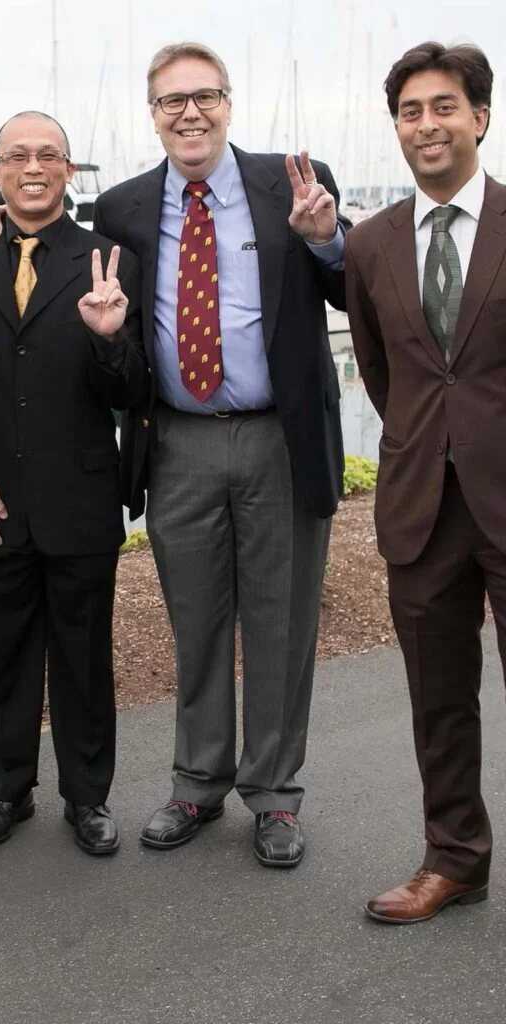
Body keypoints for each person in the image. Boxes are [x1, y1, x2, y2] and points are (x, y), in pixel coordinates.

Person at [92, 42, 347, 866]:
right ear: (153, 115)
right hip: (178, 443)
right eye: (172, 101)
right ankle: (197, 783)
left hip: (280, 437)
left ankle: (273, 796)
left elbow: (354, 293)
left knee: (281, 622)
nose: (189, 113)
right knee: (195, 621)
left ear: (230, 104)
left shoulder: (295, 181)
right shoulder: (124, 206)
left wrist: (329, 240)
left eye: (204, 97)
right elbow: (114, 330)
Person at [0, 111, 145, 856]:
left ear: (69, 171)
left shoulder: (109, 261)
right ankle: (7, 790)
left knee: (84, 657)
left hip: (81, 496)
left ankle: (88, 798)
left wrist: (107, 341)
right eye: (17, 156)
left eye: (49, 155)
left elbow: (131, 392)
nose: (34, 167)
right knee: (5, 655)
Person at [346, 42, 503, 924]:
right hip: (421, 508)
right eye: (411, 111)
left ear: (480, 117)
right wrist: (427, 441)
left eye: (444, 106)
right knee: (439, 703)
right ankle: (456, 858)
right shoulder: (370, 245)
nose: (427, 124)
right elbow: (383, 370)